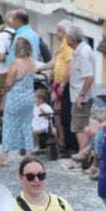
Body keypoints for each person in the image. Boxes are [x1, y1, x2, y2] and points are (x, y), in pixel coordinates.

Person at [71, 61, 106, 164]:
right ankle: (82, 158)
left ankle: (92, 162)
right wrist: (102, 123)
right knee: (86, 129)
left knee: (94, 132)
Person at [0, 38, 36, 166]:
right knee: (26, 125)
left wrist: (3, 90)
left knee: (8, 124)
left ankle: (5, 157)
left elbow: (8, 81)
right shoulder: (32, 62)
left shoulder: (16, 63)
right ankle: (28, 154)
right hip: (29, 98)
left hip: (16, 96)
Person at [34, 20, 73, 151]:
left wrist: (62, 83)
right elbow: (55, 61)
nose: (56, 33)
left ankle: (63, 142)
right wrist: (43, 69)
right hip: (57, 83)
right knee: (56, 114)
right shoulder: (63, 45)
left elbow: (69, 65)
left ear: (63, 32)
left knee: (60, 114)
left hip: (63, 84)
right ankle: (60, 140)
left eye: (58, 31)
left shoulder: (67, 46)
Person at [66, 24, 95, 154]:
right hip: (78, 96)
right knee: (79, 127)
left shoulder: (83, 53)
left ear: (71, 39)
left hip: (81, 97)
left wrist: (81, 95)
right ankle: (82, 155)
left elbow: (89, 77)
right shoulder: (80, 50)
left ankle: (82, 156)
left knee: (79, 128)